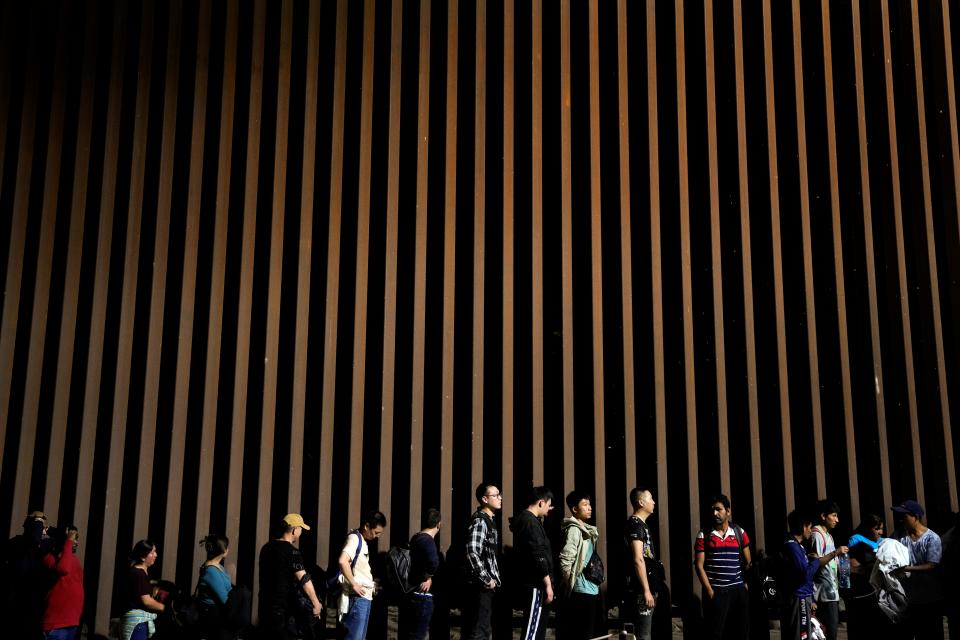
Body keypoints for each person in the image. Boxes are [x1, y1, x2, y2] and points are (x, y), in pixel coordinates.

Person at [779, 510, 847, 640]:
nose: (811, 531)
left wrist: (812, 598)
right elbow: (805, 574)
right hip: (799, 598)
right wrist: (815, 561)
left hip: (804, 596)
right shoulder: (792, 546)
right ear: (803, 527)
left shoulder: (799, 546)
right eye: (810, 527)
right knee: (801, 635)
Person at [694, 494, 752, 640]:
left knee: (740, 633)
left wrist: (745, 585)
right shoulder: (704, 534)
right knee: (717, 633)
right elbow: (699, 566)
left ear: (728, 511)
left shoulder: (739, 532)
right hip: (718, 593)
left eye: (718, 509)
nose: (715, 513)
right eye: (713, 510)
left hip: (738, 592)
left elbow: (748, 563)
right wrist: (710, 591)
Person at [258, 514, 322, 640]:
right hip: (282, 610)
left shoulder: (266, 548)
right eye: (301, 529)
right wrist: (316, 603)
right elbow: (304, 579)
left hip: (264, 607)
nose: (301, 532)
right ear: (294, 530)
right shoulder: (292, 552)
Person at [890, 500, 944, 639]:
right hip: (908, 601)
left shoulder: (932, 538)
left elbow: (932, 565)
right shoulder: (899, 536)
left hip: (929, 600)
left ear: (915, 517)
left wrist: (906, 568)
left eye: (905, 516)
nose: (901, 519)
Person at [509, 486, 555, 640]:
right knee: (533, 631)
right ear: (541, 503)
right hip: (536, 584)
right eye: (548, 505)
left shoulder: (527, 520)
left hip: (533, 582)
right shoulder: (530, 522)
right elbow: (537, 554)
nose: (550, 509)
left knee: (535, 630)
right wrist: (547, 583)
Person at [2, 511, 55, 638]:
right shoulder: (17, 542)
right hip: (18, 597)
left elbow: (57, 537)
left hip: (33, 599)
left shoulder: (45, 544)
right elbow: (34, 540)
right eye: (38, 523)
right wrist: (39, 520)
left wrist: (45, 526)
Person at [558, 490, 602, 640]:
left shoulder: (585, 529)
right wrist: (569, 582)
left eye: (589, 504)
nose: (589, 507)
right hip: (581, 589)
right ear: (575, 509)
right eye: (585, 504)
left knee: (589, 632)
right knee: (583, 633)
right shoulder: (574, 529)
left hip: (590, 588)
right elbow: (566, 558)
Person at [338, 510, 387, 640]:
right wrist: (354, 584)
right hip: (358, 598)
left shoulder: (361, 540)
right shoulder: (355, 538)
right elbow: (343, 561)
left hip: (363, 596)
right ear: (366, 526)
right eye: (376, 532)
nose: (377, 536)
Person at [463, 482, 503, 640]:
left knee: (484, 630)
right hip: (481, 587)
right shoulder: (481, 521)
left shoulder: (490, 521)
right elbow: (472, 552)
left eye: (500, 494)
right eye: (496, 495)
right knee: (480, 632)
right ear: (485, 499)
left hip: (487, 587)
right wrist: (487, 578)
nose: (500, 498)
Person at [624, 488, 662, 640]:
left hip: (648, 585)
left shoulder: (641, 524)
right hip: (641, 588)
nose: (653, 502)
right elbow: (638, 559)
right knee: (643, 634)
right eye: (650, 498)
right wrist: (646, 590)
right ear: (641, 502)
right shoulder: (635, 525)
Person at [400, 509, 441, 640]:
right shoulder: (428, 540)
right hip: (422, 595)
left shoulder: (416, 538)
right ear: (438, 524)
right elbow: (433, 562)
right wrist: (428, 576)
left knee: (410, 633)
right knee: (418, 634)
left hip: (411, 592)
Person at [844, 514, 888, 639]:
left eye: (881, 528)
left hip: (876, 592)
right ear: (868, 528)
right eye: (877, 528)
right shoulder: (856, 540)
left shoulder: (882, 542)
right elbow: (851, 565)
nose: (880, 532)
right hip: (859, 592)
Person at [41, 525, 84, 640]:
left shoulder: (73, 559)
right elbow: (63, 569)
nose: (76, 542)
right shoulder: (50, 558)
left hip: (71, 622)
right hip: (56, 624)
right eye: (73, 538)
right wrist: (68, 542)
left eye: (76, 539)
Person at [121, 540, 166, 640]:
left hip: (137, 623)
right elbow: (146, 601)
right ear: (143, 556)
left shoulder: (137, 572)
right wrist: (164, 608)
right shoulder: (138, 573)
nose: (156, 555)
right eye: (152, 552)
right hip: (137, 624)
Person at [810, 500, 843, 640]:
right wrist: (836, 553)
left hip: (831, 591)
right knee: (828, 633)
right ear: (823, 516)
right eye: (834, 515)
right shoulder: (817, 534)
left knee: (831, 632)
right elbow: (816, 563)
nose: (837, 520)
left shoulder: (828, 535)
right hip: (823, 594)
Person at [196, 534, 232, 640]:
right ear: (224, 550)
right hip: (213, 620)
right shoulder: (211, 571)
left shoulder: (218, 566)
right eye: (227, 547)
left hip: (216, 617)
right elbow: (224, 599)